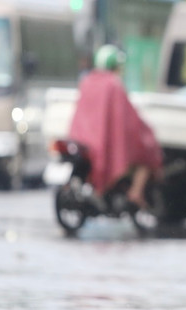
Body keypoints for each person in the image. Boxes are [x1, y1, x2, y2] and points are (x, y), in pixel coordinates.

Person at [67, 45, 162, 209]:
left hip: (82, 140)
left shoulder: (87, 81)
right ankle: (135, 193)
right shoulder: (114, 84)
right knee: (146, 157)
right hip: (101, 145)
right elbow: (127, 118)